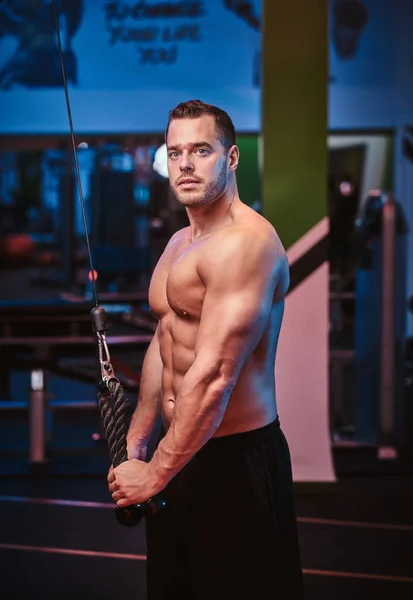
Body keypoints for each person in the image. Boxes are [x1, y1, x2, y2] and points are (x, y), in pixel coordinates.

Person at [107, 100, 304, 599]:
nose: (186, 164)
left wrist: (153, 473)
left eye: (201, 150)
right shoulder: (181, 242)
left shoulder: (247, 245)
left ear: (232, 158)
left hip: (234, 463)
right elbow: (167, 337)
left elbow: (216, 374)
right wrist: (137, 438)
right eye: (175, 153)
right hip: (180, 455)